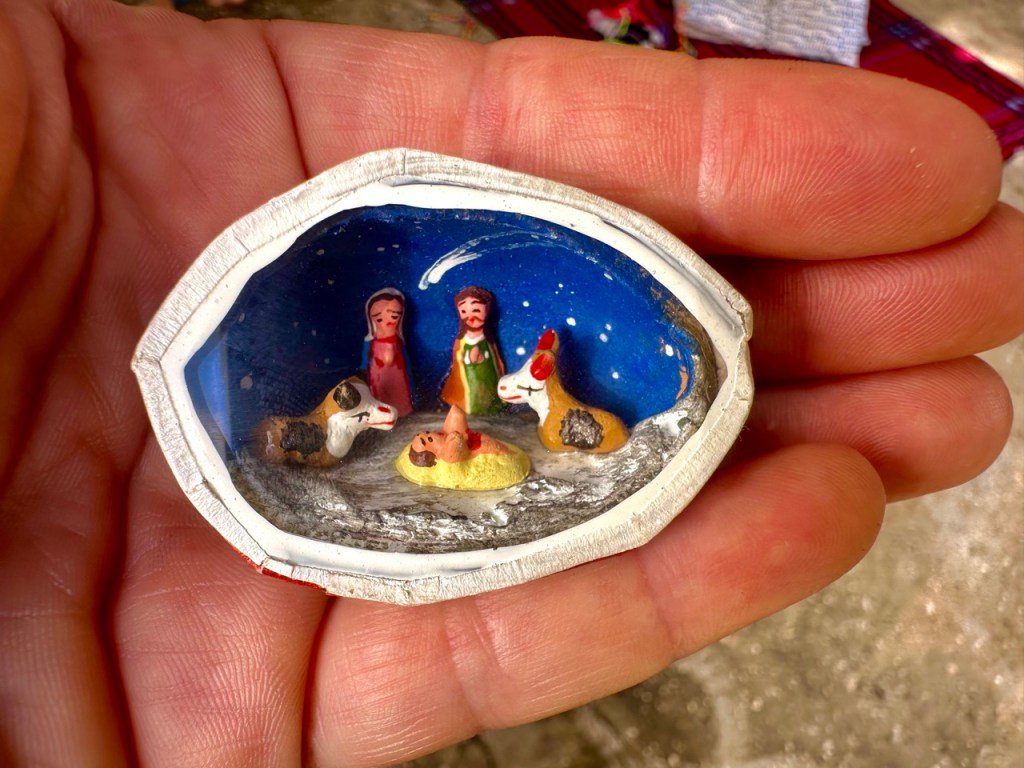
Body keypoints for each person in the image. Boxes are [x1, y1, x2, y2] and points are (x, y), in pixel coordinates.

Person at [0, 1, 1020, 765]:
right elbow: (435, 387)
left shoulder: (493, 352)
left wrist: (490, 394)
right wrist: (430, 401)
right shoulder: (401, 358)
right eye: (440, 314)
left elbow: (494, 384)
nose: (462, 318)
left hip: (490, 414)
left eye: (474, 312)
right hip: (433, 411)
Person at [441, 285, 506, 415]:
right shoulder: (461, 342)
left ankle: (492, 406)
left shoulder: (489, 340)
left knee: (489, 397)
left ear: (487, 309)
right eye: (464, 311)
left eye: (476, 310)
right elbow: (457, 364)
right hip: (468, 383)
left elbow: (497, 360)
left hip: (488, 378)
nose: (470, 317)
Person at [363, 287, 414, 416]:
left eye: (394, 316)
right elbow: (365, 360)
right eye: (379, 319)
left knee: (398, 392)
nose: (388, 322)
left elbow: (407, 364)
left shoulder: (398, 342)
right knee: (380, 395)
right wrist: (363, 369)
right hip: (378, 375)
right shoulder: (371, 343)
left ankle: (401, 410)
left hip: (397, 374)